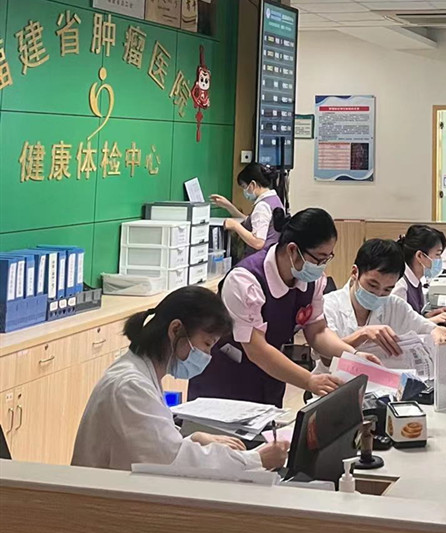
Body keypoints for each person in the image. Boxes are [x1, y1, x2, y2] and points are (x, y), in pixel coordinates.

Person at [72, 287, 289, 472]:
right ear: (176, 329)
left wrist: (194, 439)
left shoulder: (141, 374)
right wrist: (255, 460)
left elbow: (156, 444)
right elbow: (173, 462)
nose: (207, 355)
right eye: (206, 344)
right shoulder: (130, 386)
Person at [188, 209, 377, 406]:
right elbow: (257, 349)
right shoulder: (245, 280)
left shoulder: (311, 281)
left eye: (327, 258)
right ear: (293, 250)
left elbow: (318, 331)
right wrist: (309, 380)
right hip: (226, 379)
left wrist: (352, 356)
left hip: (272, 372)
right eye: (319, 259)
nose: (322, 266)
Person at [318, 238, 446, 369]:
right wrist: (362, 335)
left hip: (382, 380)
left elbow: (435, 330)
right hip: (333, 380)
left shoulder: (394, 305)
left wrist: (439, 333)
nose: (378, 294)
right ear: (355, 272)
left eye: (387, 289)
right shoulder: (328, 305)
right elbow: (326, 358)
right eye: (372, 285)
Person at [210, 163, 285, 258]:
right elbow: (251, 221)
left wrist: (235, 226)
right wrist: (229, 206)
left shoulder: (262, 206)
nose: (244, 191)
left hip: (260, 260)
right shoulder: (274, 199)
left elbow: (258, 242)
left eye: (244, 186)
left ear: (252, 184)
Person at [393, 224, 446, 322]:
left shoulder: (416, 281)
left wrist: (428, 316)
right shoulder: (400, 286)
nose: (440, 259)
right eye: (437, 254)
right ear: (420, 256)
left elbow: (412, 317)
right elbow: (399, 326)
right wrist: (432, 321)